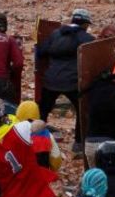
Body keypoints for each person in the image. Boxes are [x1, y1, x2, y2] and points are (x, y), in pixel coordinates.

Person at [35, 8, 95, 152]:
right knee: (82, 110)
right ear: (86, 24)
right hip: (73, 83)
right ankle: (79, 143)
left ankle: (37, 140)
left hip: (51, 80)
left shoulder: (55, 34)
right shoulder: (87, 39)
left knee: (43, 111)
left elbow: (41, 51)